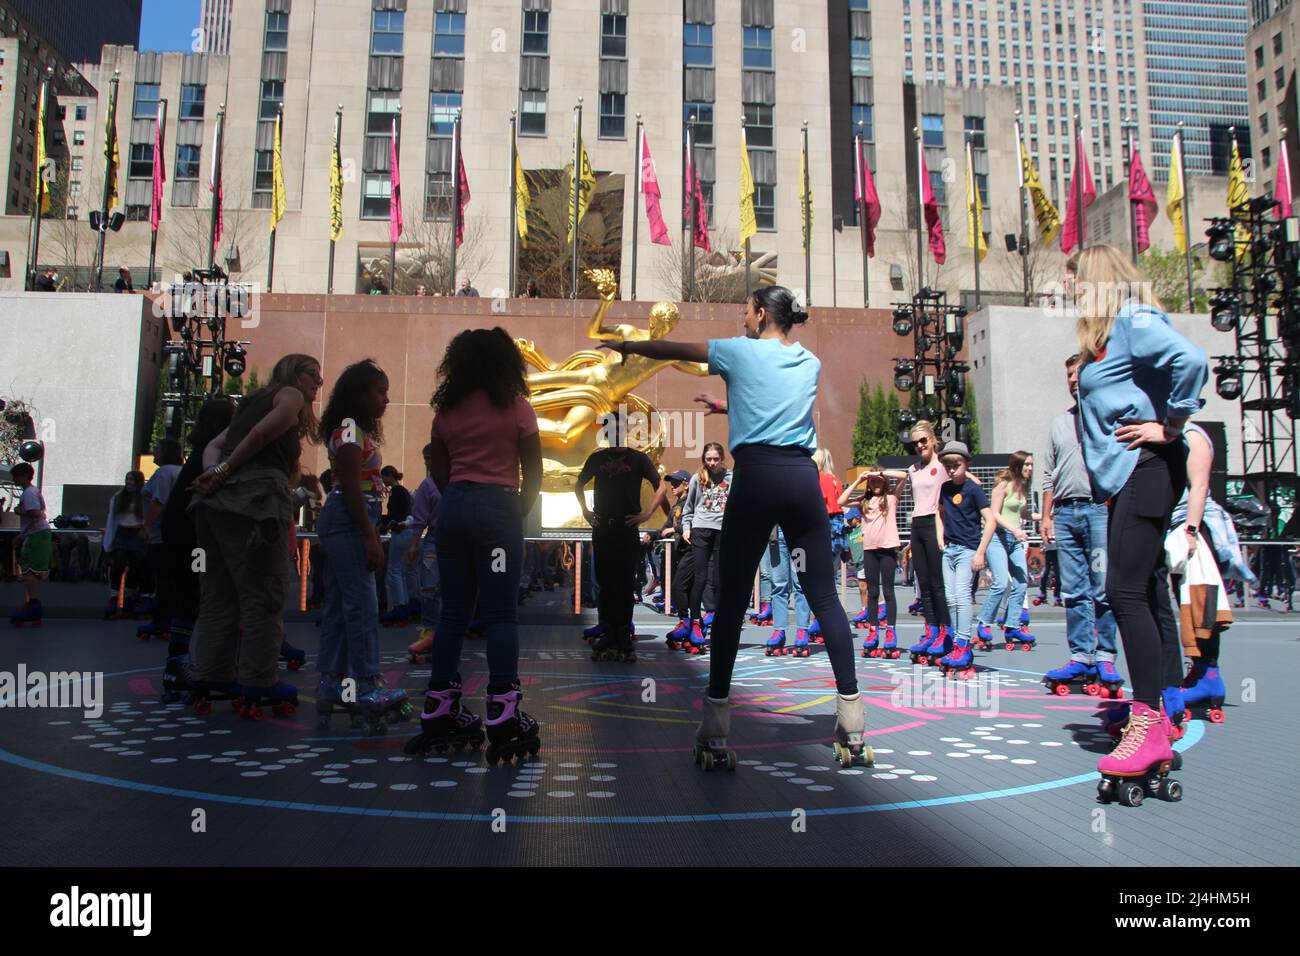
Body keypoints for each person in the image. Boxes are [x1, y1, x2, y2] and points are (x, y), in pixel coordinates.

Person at [603, 285, 870, 768]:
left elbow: (674, 349)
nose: (742, 318)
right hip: (800, 479)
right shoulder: (809, 362)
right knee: (825, 596)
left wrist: (629, 347)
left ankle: (717, 726)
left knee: (730, 599)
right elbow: (779, 408)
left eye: (746, 310)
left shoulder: (737, 351)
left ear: (762, 313)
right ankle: (852, 722)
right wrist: (731, 408)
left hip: (758, 477)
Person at [1071, 244, 1207, 798]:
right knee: (1142, 592)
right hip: (1127, 477)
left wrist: (1171, 425)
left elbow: (1191, 361)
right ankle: (1156, 711)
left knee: (1121, 592)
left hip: (1148, 466)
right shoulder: (1107, 337)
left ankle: (1148, 722)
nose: (1071, 291)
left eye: (1076, 280)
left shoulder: (1133, 318)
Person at [405, 328, 543, 763]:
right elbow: (534, 471)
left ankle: (439, 706)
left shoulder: (445, 411)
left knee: (453, 614)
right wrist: (513, 510)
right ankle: (502, 712)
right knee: (501, 614)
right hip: (498, 508)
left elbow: (440, 472)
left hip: (456, 510)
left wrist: (461, 499)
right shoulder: (517, 408)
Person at [187, 354, 323, 716]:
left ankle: (212, 674)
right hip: (257, 503)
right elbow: (264, 433)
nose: (318, 383)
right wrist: (225, 471)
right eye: (314, 374)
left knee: (219, 594)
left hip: (216, 505)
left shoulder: (252, 400)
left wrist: (215, 476)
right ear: (295, 372)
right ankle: (258, 681)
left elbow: (214, 446)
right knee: (263, 594)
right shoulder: (290, 396)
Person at [313, 359, 410, 728]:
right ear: (360, 394)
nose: (386, 399)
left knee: (340, 604)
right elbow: (351, 487)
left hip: (347, 519)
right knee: (363, 604)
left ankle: (332, 682)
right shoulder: (351, 431)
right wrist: (371, 538)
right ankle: (367, 683)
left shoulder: (349, 430)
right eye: (380, 392)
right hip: (351, 520)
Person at [1041, 354, 1123, 697]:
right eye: (1069, 375)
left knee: (1102, 586)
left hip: (1098, 510)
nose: (1073, 380)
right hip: (1065, 512)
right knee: (1073, 589)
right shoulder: (1059, 422)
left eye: (1078, 374)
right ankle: (1080, 655)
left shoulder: (1108, 417)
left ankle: (1105, 654)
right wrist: (1046, 516)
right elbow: (1048, 474)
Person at [158, 397, 236, 701]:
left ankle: (178, 664)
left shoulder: (199, 453)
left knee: (190, 594)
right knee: (195, 595)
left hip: (181, 533)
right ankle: (181, 664)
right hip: (192, 536)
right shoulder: (211, 456)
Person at [575, 412, 667, 661]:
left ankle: (623, 633)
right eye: (610, 428)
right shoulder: (597, 458)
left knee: (625, 583)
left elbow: (661, 486)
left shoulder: (638, 459)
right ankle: (607, 630)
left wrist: (646, 514)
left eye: (618, 428)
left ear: (625, 430)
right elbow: (579, 484)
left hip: (627, 528)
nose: (614, 432)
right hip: (603, 526)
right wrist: (586, 511)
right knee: (605, 583)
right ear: (605, 431)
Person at [931, 441, 997, 677]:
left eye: (956, 465)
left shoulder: (973, 489)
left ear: (966, 464)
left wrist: (980, 551)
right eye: (947, 465)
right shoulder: (945, 488)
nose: (951, 470)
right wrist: (940, 535)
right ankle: (957, 641)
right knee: (950, 598)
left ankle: (963, 644)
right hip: (949, 550)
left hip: (967, 550)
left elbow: (990, 520)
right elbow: (938, 513)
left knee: (961, 596)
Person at [973, 451, 1036, 651]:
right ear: (1017, 466)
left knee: (1020, 582)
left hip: (1015, 540)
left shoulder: (1022, 487)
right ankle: (984, 622)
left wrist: (1045, 517)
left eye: (1031, 465)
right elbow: (995, 515)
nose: (1030, 469)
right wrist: (1015, 529)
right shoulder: (1003, 485)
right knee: (1000, 583)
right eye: (1026, 465)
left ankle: (1012, 625)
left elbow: (1023, 513)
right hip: (998, 538)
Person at [842, 467, 907, 657]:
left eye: (879, 481)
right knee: (872, 592)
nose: (876, 484)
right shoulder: (864, 501)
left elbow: (904, 476)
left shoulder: (891, 498)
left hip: (887, 549)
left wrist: (883, 473)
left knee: (888, 591)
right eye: (873, 482)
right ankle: (873, 630)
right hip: (870, 550)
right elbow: (841, 501)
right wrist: (860, 479)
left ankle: (891, 630)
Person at [903, 420, 952, 662]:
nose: (920, 445)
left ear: (933, 440)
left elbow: (968, 478)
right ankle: (931, 629)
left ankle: (947, 631)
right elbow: (903, 481)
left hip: (935, 524)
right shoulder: (913, 469)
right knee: (923, 582)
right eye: (915, 443)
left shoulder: (943, 465)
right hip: (917, 524)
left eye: (923, 440)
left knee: (937, 582)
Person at [680, 442, 731, 653]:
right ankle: (694, 620)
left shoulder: (731, 478)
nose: (711, 463)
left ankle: (718, 620)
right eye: (708, 459)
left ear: (722, 459)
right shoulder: (697, 478)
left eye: (715, 459)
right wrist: (686, 526)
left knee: (718, 578)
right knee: (699, 577)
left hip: (722, 530)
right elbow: (689, 506)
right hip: (701, 528)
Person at [405, 443, 443, 664]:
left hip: (456, 541)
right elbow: (419, 520)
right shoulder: (427, 485)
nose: (428, 462)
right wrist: (413, 546)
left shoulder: (456, 483)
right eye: (425, 458)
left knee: (450, 591)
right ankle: (428, 632)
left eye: (431, 457)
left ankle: (444, 635)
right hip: (434, 539)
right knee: (429, 588)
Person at [6, 463, 50, 626]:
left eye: (16, 477)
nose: (14, 480)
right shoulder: (32, 492)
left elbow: (34, 513)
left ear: (24, 476)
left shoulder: (29, 493)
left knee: (30, 571)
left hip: (36, 535)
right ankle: (32, 602)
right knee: (32, 571)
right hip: (36, 534)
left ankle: (34, 605)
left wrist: (19, 511)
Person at [103, 470, 150, 619]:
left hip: (137, 533)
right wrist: (108, 543)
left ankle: (129, 597)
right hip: (122, 533)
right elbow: (111, 519)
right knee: (119, 563)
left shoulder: (144, 498)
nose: (129, 482)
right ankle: (114, 597)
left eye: (132, 480)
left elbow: (149, 515)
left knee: (136, 563)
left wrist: (145, 531)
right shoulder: (118, 497)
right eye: (127, 479)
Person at [380, 464, 420, 626]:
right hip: (410, 532)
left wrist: (382, 525)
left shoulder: (396, 492)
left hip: (400, 532)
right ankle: (413, 604)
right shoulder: (404, 492)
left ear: (389, 475)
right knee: (407, 571)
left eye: (383, 477)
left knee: (394, 571)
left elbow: (393, 515)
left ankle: (399, 607)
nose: (383, 482)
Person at [659, 470, 696, 645]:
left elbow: (694, 524)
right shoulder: (676, 506)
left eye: (676, 483)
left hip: (692, 551)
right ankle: (690, 624)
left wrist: (675, 530)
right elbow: (665, 527)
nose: (672, 486)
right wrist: (650, 537)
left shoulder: (691, 502)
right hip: (680, 553)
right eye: (671, 483)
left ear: (686, 484)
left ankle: (686, 622)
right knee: (685, 589)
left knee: (678, 586)